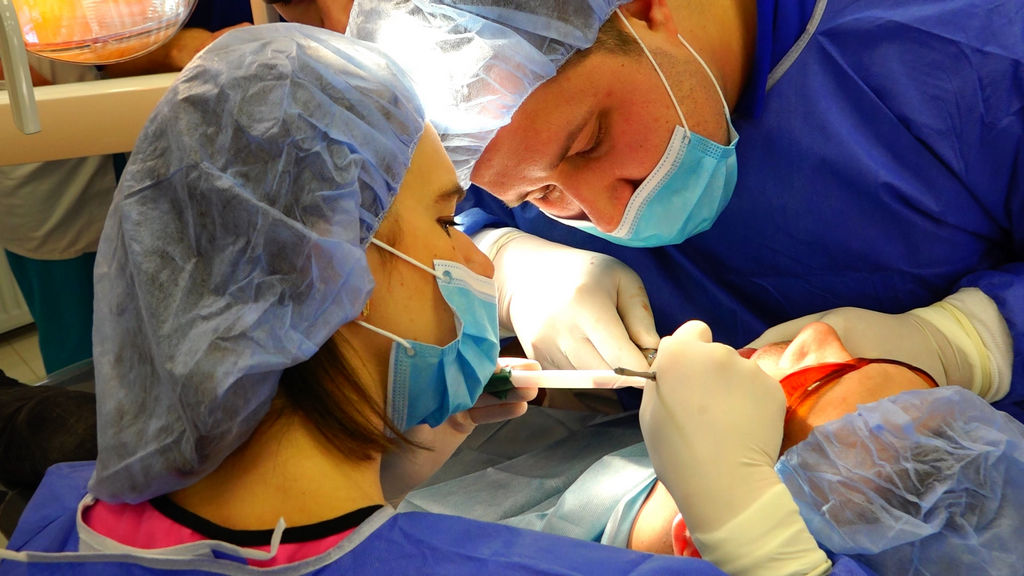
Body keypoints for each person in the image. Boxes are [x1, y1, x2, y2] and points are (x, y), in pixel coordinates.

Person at [0, 24, 725, 575]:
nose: (479, 259)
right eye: (448, 223)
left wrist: (387, 470)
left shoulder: (64, 516)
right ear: (325, 263)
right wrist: (749, 520)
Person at [286, 0, 1021, 419]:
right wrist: (507, 268)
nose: (605, 219)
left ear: (643, 8)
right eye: (538, 196)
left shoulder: (962, 48)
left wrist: (967, 341)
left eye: (589, 142)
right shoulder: (491, 123)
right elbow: (452, 216)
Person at [400, 320, 1024, 575]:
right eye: (863, 361)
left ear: (694, 539)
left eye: (812, 383)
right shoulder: (631, 453)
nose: (821, 332)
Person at [0, 1, 253, 375]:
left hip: (119, 157)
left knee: (152, 330)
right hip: (48, 186)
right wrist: (169, 51)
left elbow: (104, 38)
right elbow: (45, 95)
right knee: (84, 355)